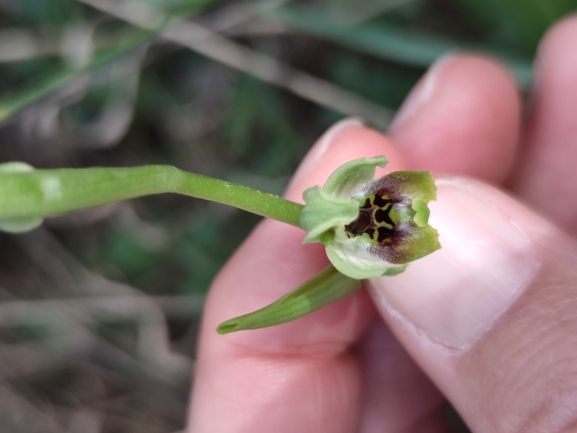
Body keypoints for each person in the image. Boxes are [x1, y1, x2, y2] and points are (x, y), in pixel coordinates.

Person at [188, 16, 577, 432]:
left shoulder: (378, 224)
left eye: (363, 216)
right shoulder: (355, 227)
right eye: (357, 217)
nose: (367, 218)